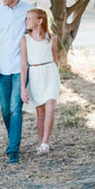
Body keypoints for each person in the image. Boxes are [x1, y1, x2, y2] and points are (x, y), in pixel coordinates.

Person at [0, 0, 34, 164]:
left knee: (15, 108)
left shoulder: (28, 10)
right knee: (5, 110)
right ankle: (13, 139)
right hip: (3, 68)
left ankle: (13, 149)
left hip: (21, 68)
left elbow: (35, 35)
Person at [20, 9, 60, 155]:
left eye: (30, 18)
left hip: (50, 73)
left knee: (50, 107)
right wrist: (23, 88)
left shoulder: (51, 38)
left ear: (39, 21)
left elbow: (54, 58)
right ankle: (40, 141)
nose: (27, 21)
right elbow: (23, 65)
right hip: (35, 74)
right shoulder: (25, 40)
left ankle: (45, 142)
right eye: (26, 18)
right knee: (40, 112)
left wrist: (56, 76)